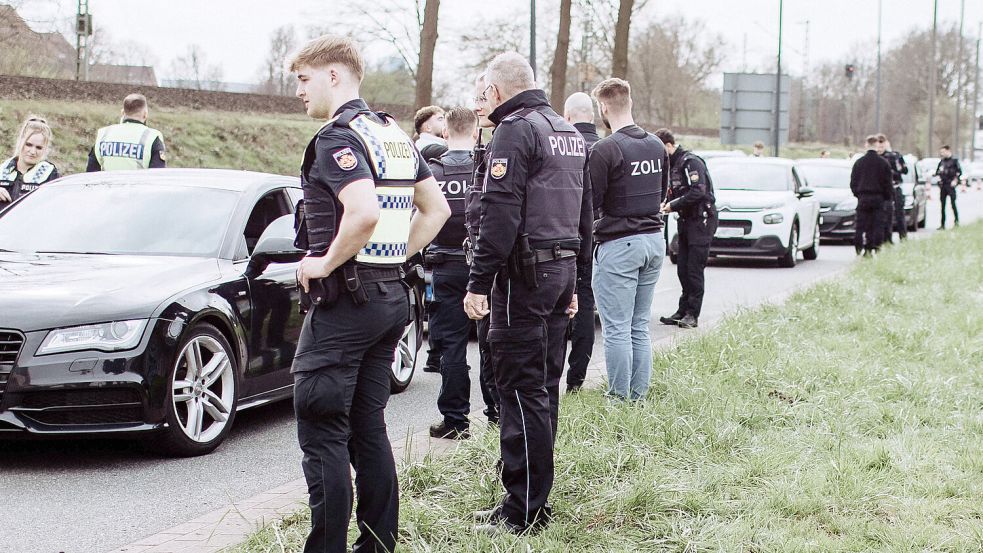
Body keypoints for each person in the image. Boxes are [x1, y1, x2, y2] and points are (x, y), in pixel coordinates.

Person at [288, 35, 449, 553]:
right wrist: (395, 257)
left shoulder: (339, 138)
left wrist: (323, 261)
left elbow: (362, 213)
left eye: (303, 79)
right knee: (368, 429)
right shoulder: (390, 133)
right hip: (388, 300)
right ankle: (378, 546)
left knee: (323, 431)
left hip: (345, 304)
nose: (299, 91)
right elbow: (436, 210)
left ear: (334, 76)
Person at [463, 52, 591, 534]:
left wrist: (478, 282)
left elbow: (499, 215)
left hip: (522, 278)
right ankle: (533, 497)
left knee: (519, 391)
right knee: (544, 389)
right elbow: (584, 215)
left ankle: (524, 510)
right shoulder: (567, 131)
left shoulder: (515, 130)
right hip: (558, 272)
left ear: (496, 91)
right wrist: (578, 283)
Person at [587, 79, 667, 400]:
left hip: (620, 245)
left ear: (603, 108)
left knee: (617, 329)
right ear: (630, 103)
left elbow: (590, 204)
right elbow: (661, 194)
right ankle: (639, 396)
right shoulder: (657, 146)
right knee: (638, 326)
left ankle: (618, 398)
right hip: (654, 240)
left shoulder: (605, 149)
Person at [426, 107, 480, 440]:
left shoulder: (432, 171)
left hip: (445, 265)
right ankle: (496, 414)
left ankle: (456, 421)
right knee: (490, 344)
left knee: (451, 345)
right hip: (482, 267)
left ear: (445, 132)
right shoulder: (485, 168)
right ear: (475, 132)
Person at [465, 72, 501, 425]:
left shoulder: (505, 144)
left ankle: (499, 417)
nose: (476, 105)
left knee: (494, 350)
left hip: (498, 270)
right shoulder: (486, 145)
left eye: (481, 97)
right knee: (486, 349)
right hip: (482, 260)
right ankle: (493, 414)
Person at [656, 128, 718, 330]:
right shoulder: (673, 165)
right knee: (682, 267)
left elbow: (698, 191)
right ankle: (682, 310)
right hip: (685, 221)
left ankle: (693, 314)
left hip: (701, 221)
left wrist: (673, 205)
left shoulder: (691, 162)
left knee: (694, 269)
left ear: (668, 145)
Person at [561, 91, 600, 393]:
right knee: (585, 306)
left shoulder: (564, 147)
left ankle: (553, 375)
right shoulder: (606, 147)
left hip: (565, 236)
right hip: (599, 237)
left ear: (568, 116)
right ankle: (577, 378)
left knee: (561, 306)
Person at [87, 93, 166, 171]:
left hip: (108, 184)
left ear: (122, 113)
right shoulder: (152, 137)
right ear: (145, 114)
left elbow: (91, 173)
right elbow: (157, 176)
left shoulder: (104, 134)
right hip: (138, 184)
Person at [1, 116, 60, 206]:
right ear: (21, 141)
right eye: (28, 145)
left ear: (45, 148)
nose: (33, 152)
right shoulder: (3, 169)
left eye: (39, 147)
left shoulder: (50, 173)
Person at [850, 135, 894, 256]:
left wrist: (858, 194)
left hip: (863, 197)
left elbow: (853, 181)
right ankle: (875, 246)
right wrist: (886, 197)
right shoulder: (883, 163)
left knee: (861, 224)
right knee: (877, 224)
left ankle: (859, 246)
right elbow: (887, 183)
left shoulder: (859, 163)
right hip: (878, 197)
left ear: (866, 145)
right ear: (876, 146)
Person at [877, 134, 908, 242]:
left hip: (896, 186)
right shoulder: (877, 158)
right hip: (883, 189)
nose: (880, 148)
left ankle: (903, 237)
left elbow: (904, 170)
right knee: (886, 215)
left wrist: (895, 169)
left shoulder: (895, 156)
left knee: (900, 213)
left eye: (882, 145)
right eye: (878, 146)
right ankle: (887, 238)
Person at [934, 145, 961, 229]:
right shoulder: (941, 162)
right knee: (942, 206)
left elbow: (959, 172)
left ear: (948, 151)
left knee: (953, 204)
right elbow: (937, 172)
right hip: (943, 185)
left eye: (943, 152)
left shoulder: (954, 161)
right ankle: (942, 224)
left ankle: (956, 221)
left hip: (950, 185)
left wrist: (955, 180)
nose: (941, 154)